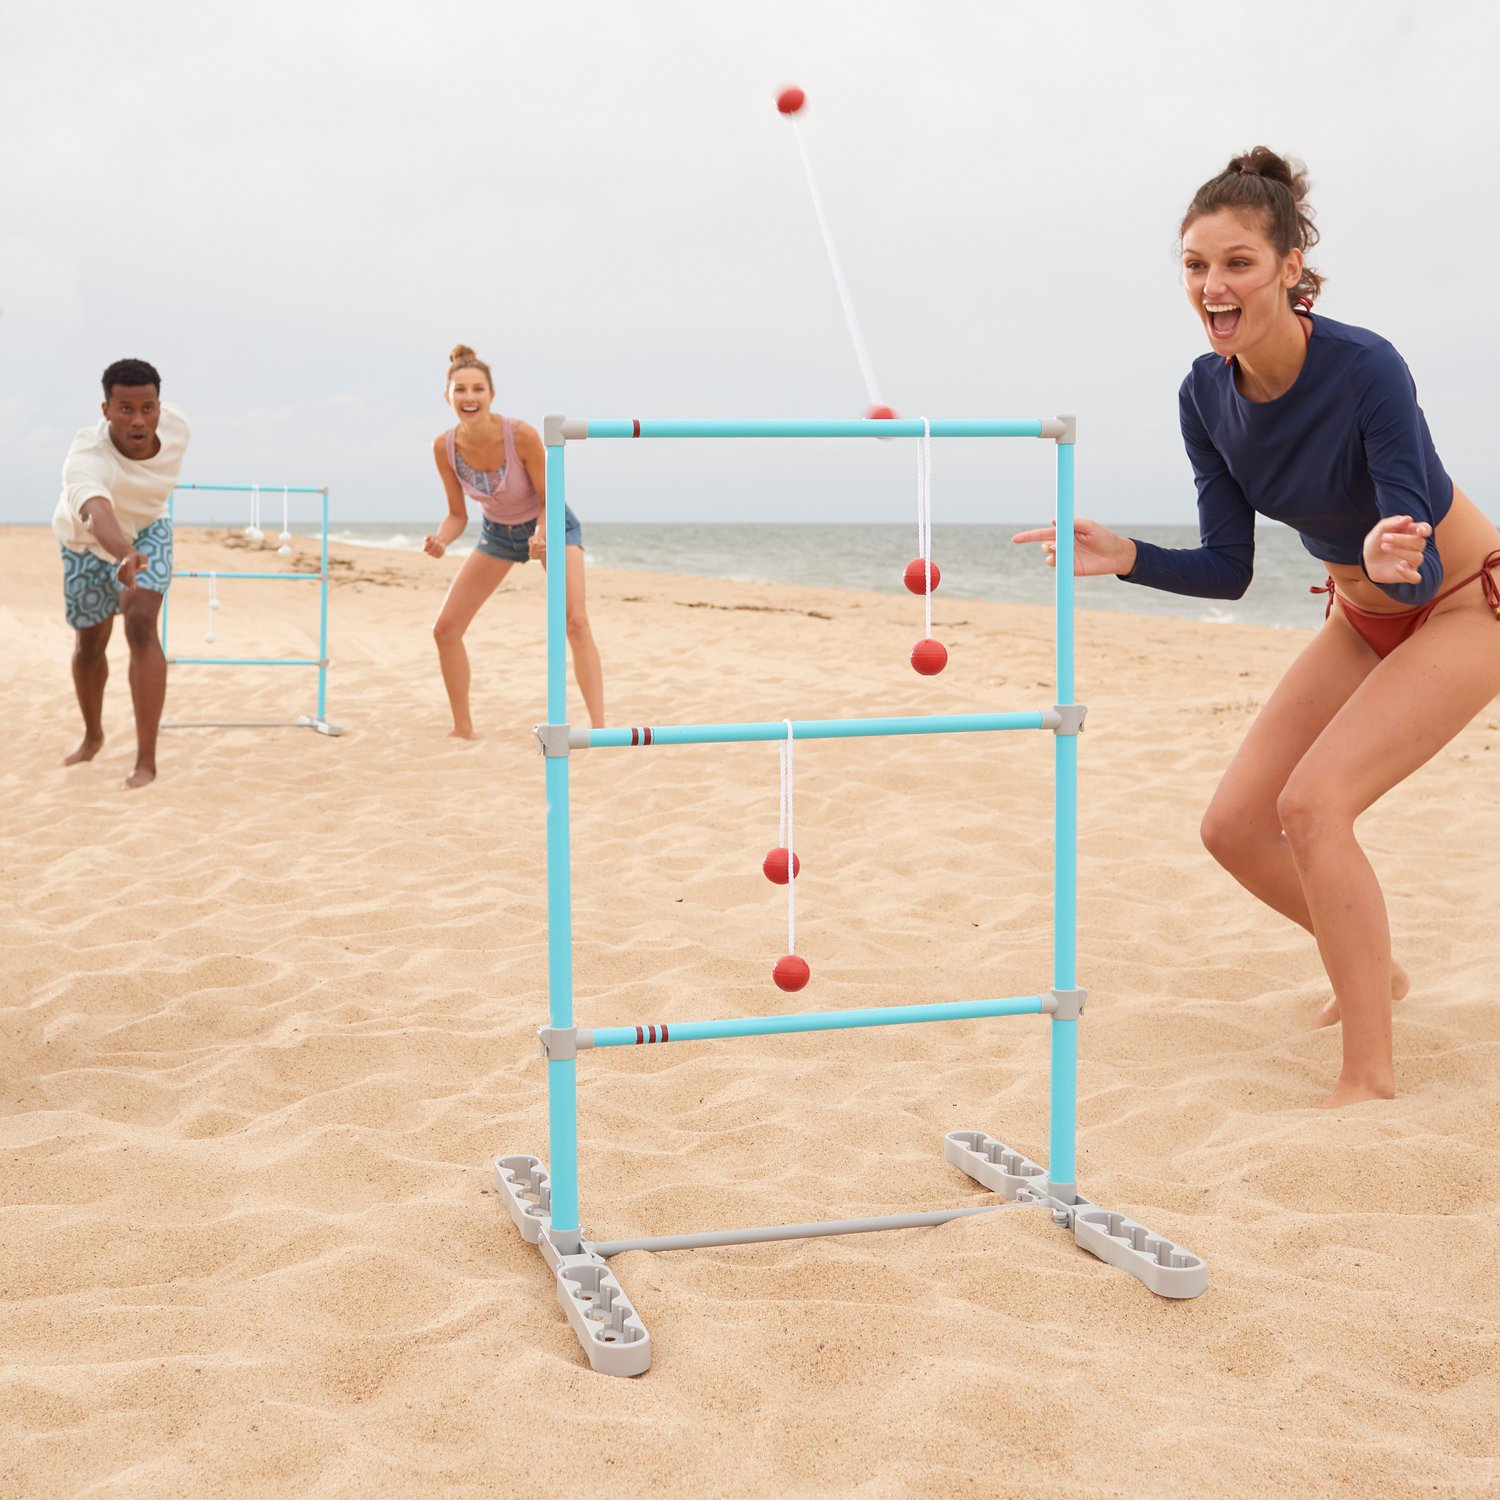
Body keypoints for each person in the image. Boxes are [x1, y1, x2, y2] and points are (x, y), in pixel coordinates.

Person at [1014, 147, 1500, 1109]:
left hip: (1463, 604)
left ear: (1288, 268)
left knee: (1314, 807)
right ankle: (1374, 965)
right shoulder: (1204, 396)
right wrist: (1129, 556)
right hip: (1359, 617)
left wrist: (1394, 550)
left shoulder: (1364, 367)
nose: (1214, 284)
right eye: (1196, 265)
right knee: (1234, 828)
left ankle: (1368, 1076)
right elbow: (1230, 571)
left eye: (1237, 262)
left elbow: (1413, 539)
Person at [423, 344, 605, 738]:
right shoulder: (444, 447)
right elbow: (457, 514)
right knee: (445, 629)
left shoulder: (520, 435)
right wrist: (441, 540)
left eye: (477, 389)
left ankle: (601, 729)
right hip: (498, 534)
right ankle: (462, 729)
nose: (469, 397)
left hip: (551, 524)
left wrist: (541, 536)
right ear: (447, 396)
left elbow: (549, 498)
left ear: (491, 394)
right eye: (460, 390)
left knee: (575, 620)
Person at [53, 358, 191, 789]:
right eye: (126, 409)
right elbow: (94, 512)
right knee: (91, 645)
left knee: (142, 624)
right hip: (87, 542)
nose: (138, 420)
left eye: (147, 408)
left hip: (149, 528)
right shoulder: (86, 456)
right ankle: (93, 735)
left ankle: (146, 761)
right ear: (106, 410)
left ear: (159, 407)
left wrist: (135, 551)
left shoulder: (178, 427)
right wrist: (123, 553)